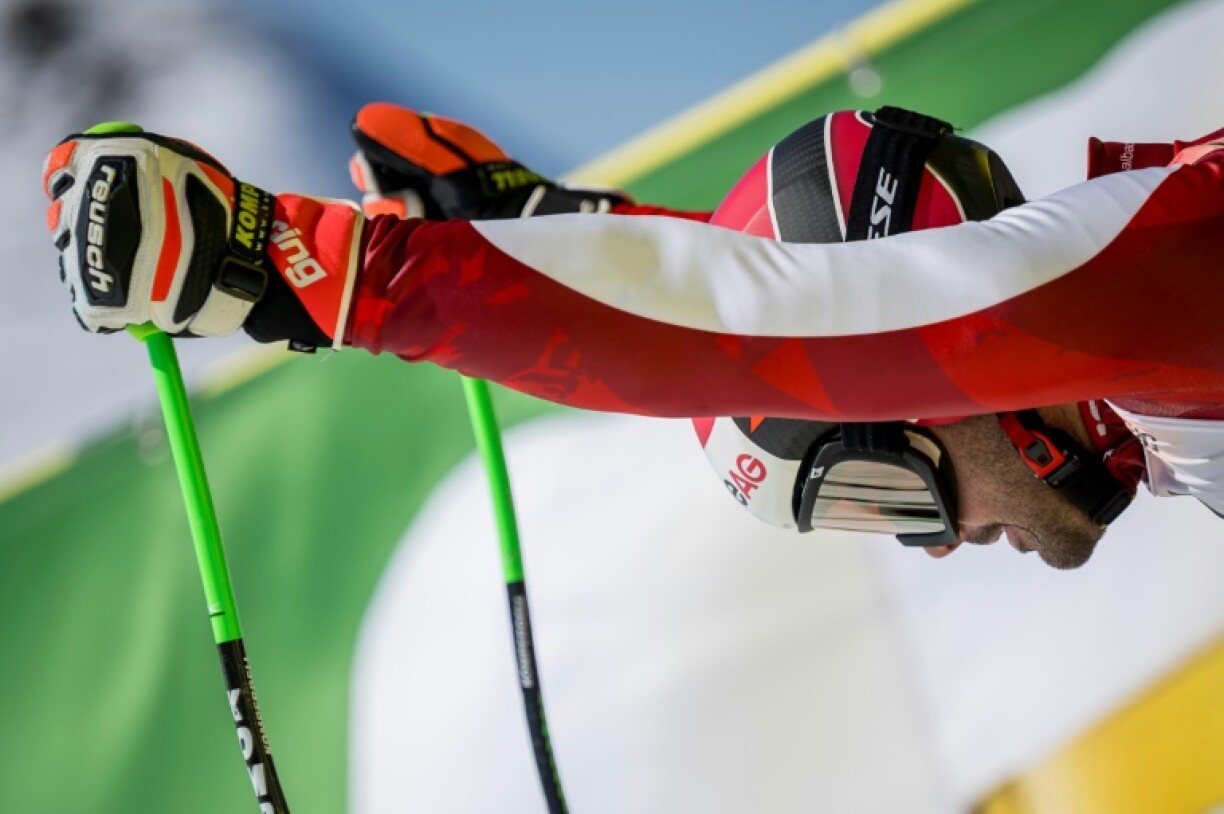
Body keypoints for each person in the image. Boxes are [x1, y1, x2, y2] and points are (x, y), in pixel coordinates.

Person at [41, 103, 1224, 569]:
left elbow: (760, 322)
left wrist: (314, 269)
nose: (937, 544)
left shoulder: (1173, 274)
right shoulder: (1161, 373)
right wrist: (560, 228)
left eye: (886, 493)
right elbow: (794, 303)